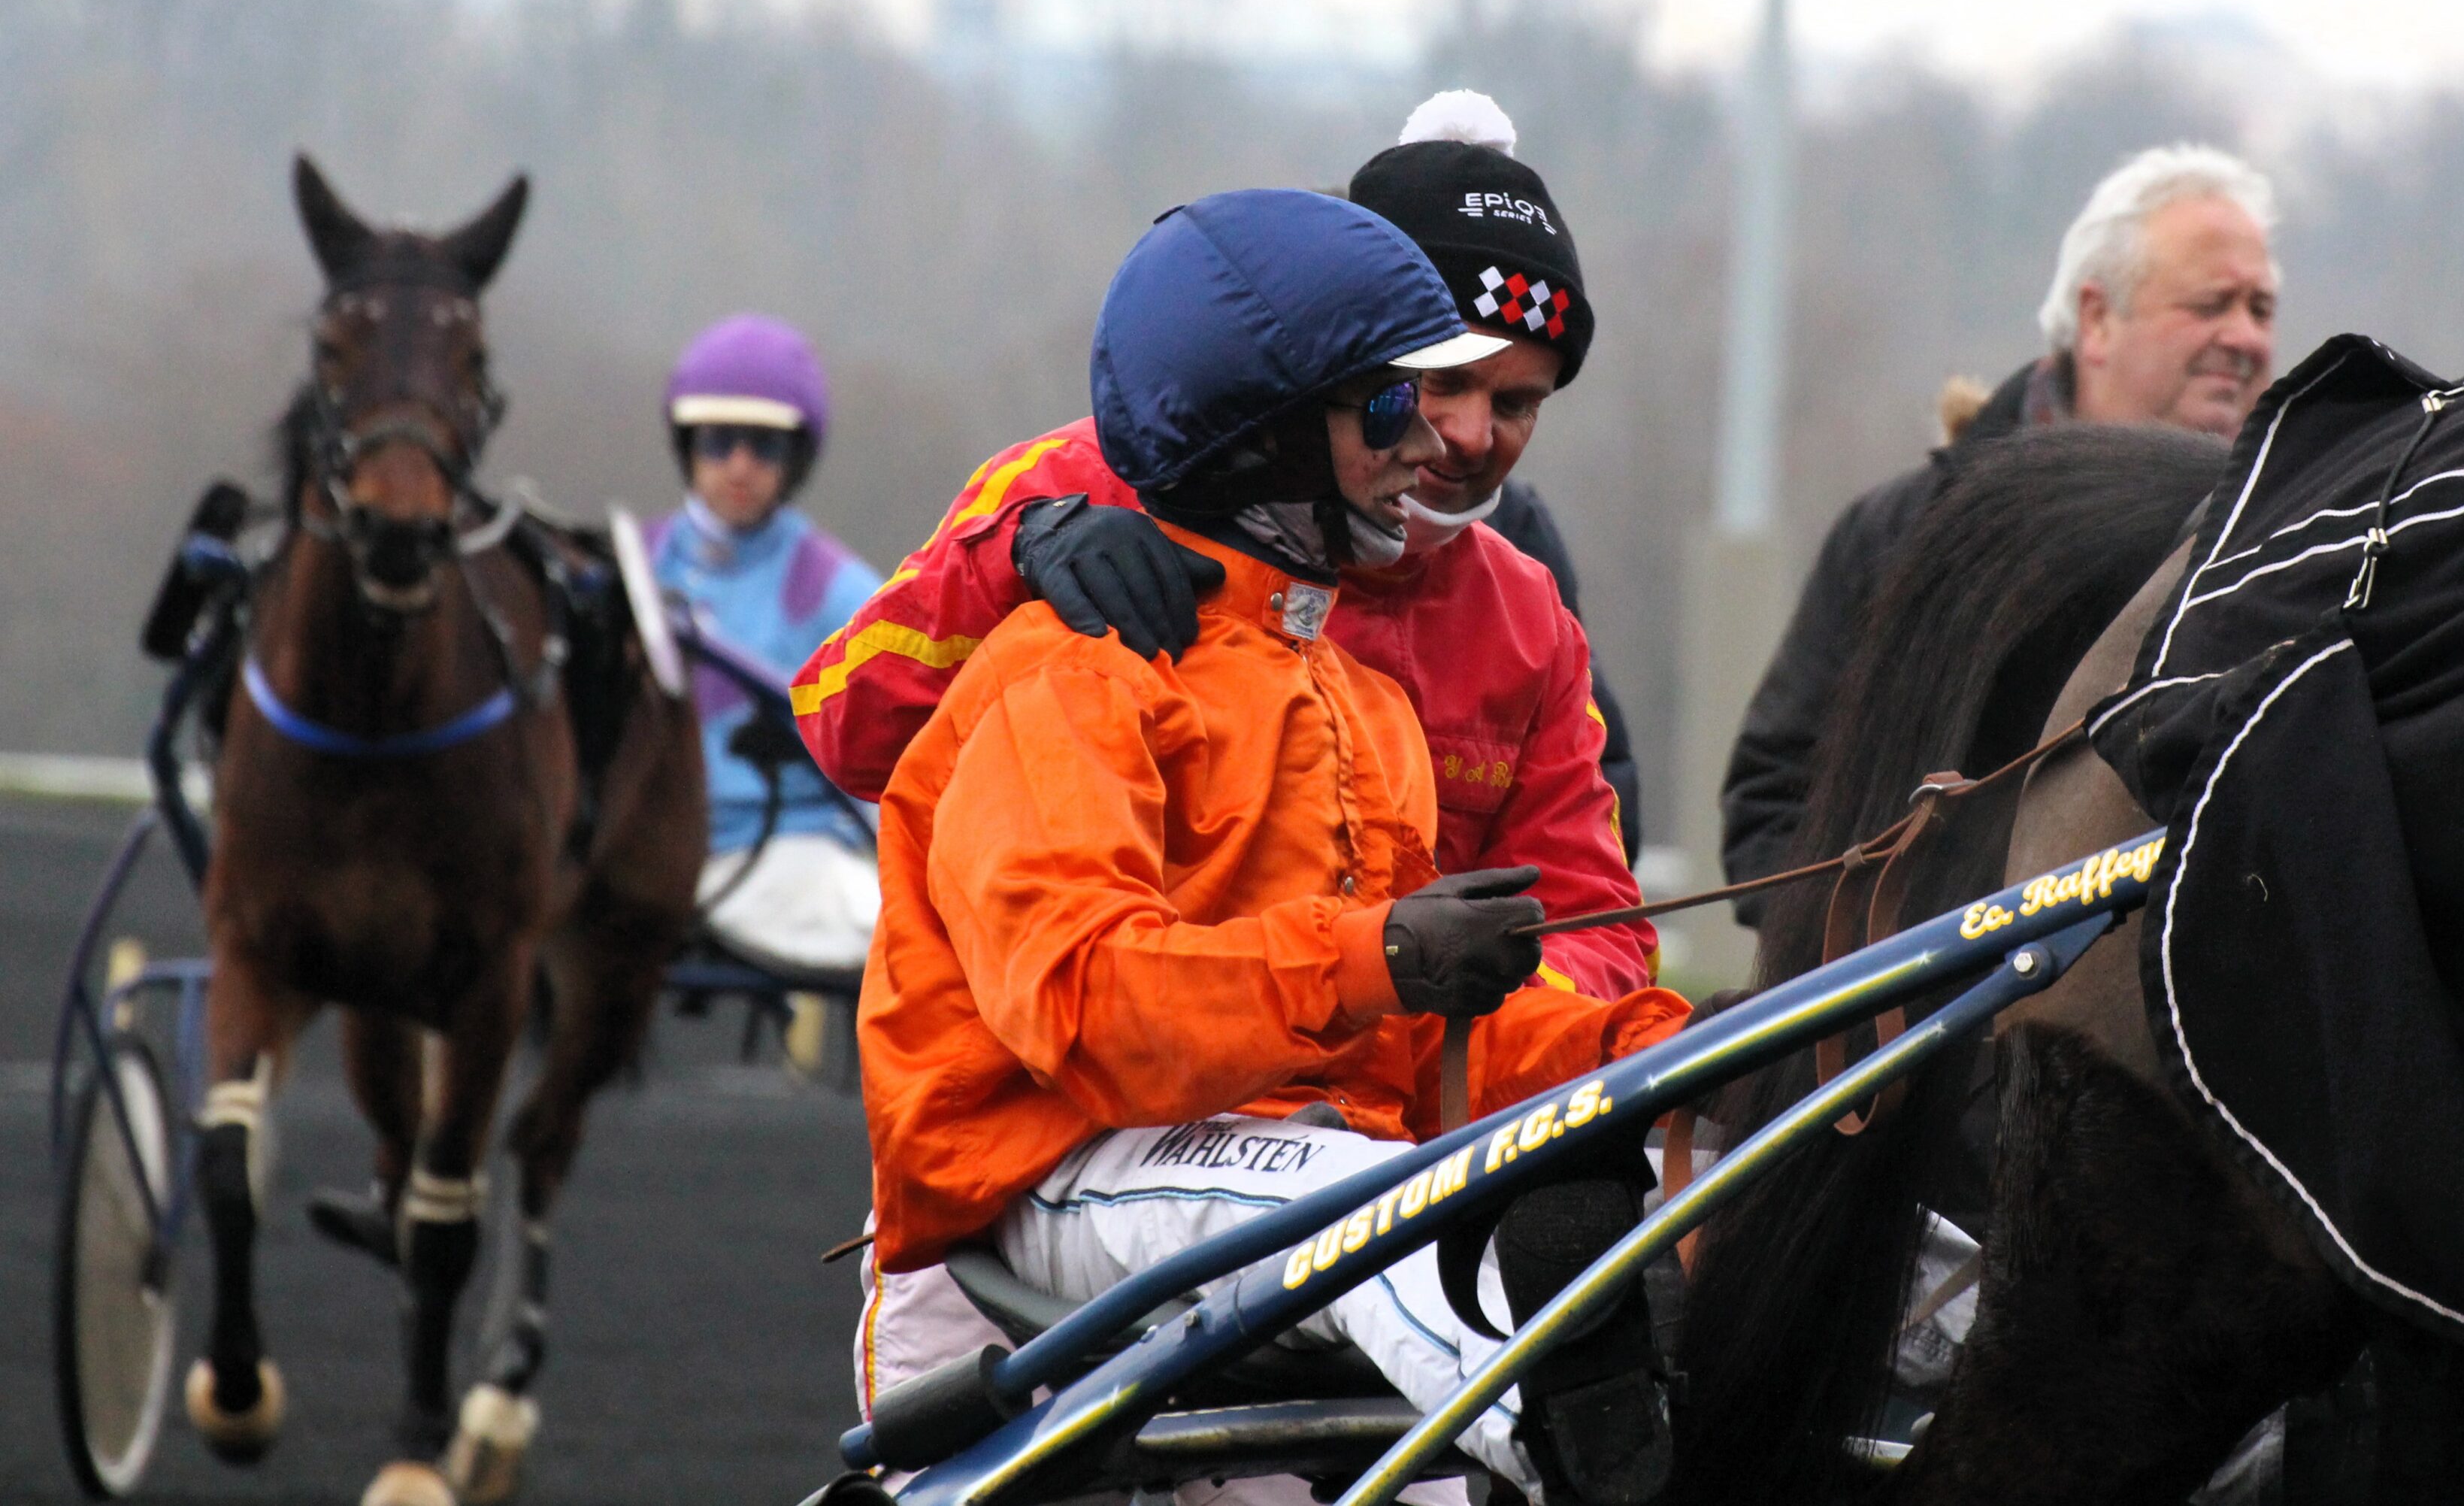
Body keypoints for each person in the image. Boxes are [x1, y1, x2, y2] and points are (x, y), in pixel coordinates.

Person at [853, 189, 1691, 1503]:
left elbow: (1431, 1038)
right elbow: (1082, 1001)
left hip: (1286, 1175)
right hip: (1046, 1163)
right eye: (1400, 407)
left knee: (1647, 1155)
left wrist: (1672, 1057)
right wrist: (1380, 955)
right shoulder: (1071, 674)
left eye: (1487, 403)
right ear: (1270, 435)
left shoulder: (1366, 705)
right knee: (1389, 1213)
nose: (1442, 447)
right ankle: (1606, 1454)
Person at [792, 91, 1652, 995]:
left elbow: (1598, 928)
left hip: (1364, 1115)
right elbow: (841, 730)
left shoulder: (1528, 617)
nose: (1471, 436)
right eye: (1442, 385)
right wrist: (1009, 561)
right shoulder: (1079, 481)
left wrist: (1485, 1010)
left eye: (1516, 404)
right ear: (1341, 366)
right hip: (1076, 1101)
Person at [1719, 144, 2281, 919]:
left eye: (2260, 308)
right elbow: (1772, 812)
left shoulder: (2276, 549)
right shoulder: (1906, 534)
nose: (2246, 337)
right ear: (2096, 320)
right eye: (2210, 305)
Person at [645, 315, 883, 980]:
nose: (740, 467)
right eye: (719, 443)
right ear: (688, 446)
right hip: (643, 852)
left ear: (795, 459)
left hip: (788, 854)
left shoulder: (839, 588)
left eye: (765, 447)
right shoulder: (632, 565)